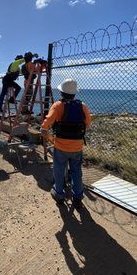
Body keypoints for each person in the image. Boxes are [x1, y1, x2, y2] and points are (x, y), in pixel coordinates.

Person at [41, 79, 92, 209]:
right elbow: (88, 122)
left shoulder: (57, 106)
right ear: (74, 93)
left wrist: (48, 136)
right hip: (77, 147)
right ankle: (78, 198)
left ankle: (59, 194)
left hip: (60, 146)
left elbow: (46, 125)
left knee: (58, 170)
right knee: (76, 172)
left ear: (62, 92)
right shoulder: (83, 106)